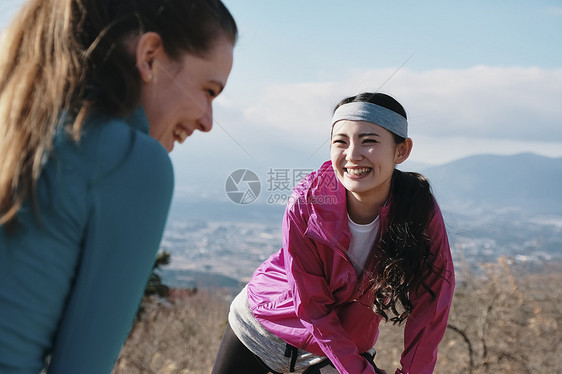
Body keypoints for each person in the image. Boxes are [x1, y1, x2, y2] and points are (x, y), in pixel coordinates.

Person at [0, 0, 236, 373]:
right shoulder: (131, 161)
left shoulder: (19, 132)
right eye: (208, 90)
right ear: (150, 57)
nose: (208, 121)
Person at [212, 92, 455, 374]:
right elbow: (311, 304)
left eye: (369, 141)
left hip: (339, 349)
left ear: (401, 151)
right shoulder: (307, 202)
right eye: (340, 141)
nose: (352, 155)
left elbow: (433, 302)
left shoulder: (418, 209)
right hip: (260, 329)